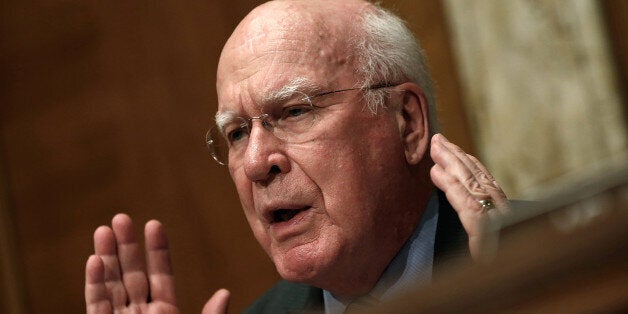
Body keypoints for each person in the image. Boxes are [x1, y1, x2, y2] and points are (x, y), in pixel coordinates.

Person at [84, 0, 510, 313]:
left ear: (407, 122)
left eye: (294, 112)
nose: (255, 163)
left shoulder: (544, 262)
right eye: (236, 133)